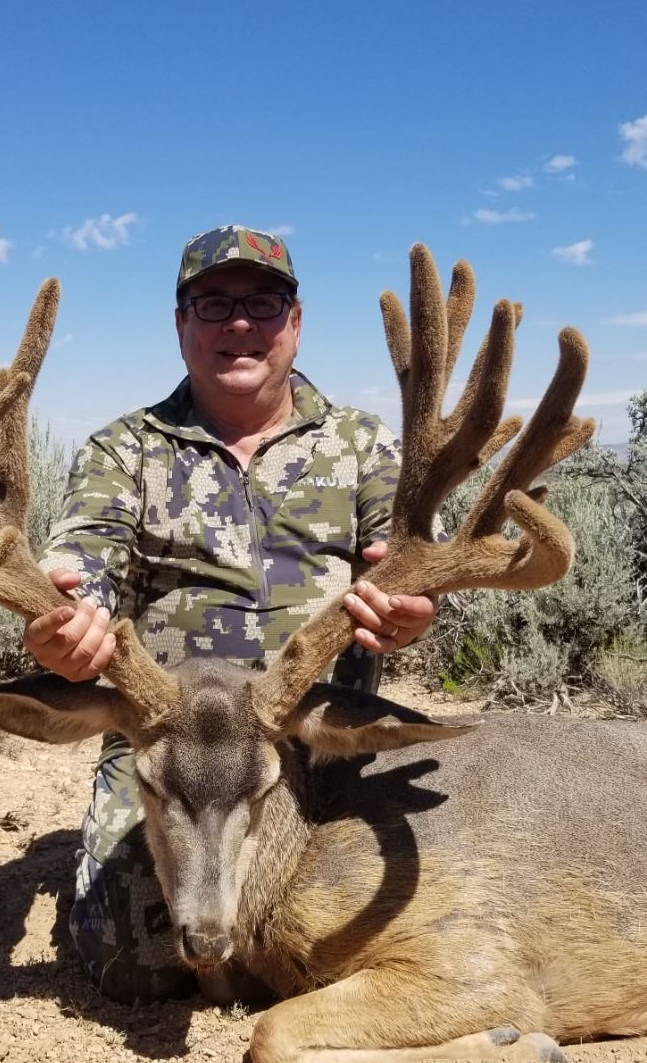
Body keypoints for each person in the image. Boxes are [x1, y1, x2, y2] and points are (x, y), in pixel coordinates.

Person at [26, 225, 438, 1003]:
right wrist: (70, 614)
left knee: (372, 934)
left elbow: (410, 564)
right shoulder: (126, 450)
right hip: (171, 743)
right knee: (134, 962)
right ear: (182, 324)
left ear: (296, 321)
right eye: (214, 304)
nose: (240, 323)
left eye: (263, 303)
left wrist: (414, 607)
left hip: (320, 736)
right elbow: (85, 560)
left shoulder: (362, 444)